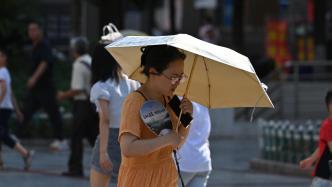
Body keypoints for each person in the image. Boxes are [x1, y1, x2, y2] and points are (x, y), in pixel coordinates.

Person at [117, 45, 193, 187]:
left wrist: (187, 120)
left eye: (181, 77)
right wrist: (165, 139)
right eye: (173, 77)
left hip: (166, 175)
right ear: (153, 72)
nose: (177, 82)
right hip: (141, 179)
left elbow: (177, 144)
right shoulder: (135, 101)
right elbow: (127, 148)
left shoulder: (171, 99)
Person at [89, 41, 140, 187]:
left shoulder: (101, 87)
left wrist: (103, 152)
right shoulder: (133, 83)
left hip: (110, 139)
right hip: (131, 137)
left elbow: (105, 120)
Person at [20, 21, 67, 151]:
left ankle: (60, 139)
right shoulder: (33, 46)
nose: (32, 32)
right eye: (30, 30)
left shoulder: (44, 45)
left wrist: (34, 78)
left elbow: (45, 63)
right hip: (36, 89)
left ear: (40, 31)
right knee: (27, 111)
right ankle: (16, 136)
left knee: (53, 112)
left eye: (34, 29)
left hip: (46, 86)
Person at [57, 37, 98, 177]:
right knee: (94, 136)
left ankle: (75, 168)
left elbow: (77, 89)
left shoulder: (79, 64)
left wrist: (63, 95)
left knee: (76, 137)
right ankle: (111, 164)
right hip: (92, 104)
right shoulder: (90, 60)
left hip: (82, 105)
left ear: (75, 50)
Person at [0, 49, 33, 170]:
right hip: (6, 108)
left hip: (2, 108)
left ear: (4, 58)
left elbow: (4, 91)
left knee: (2, 134)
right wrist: (17, 110)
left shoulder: (2, 72)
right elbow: (11, 93)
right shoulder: (5, 72)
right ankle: (1, 161)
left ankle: (25, 153)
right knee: (2, 134)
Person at [299, 90, 332, 187]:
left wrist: (310, 160)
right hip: (324, 178)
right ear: (329, 106)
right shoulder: (328, 125)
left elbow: (322, 147)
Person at [177, 102, 212, 187]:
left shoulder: (176, 100)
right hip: (203, 162)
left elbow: (176, 135)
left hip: (182, 164)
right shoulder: (202, 103)